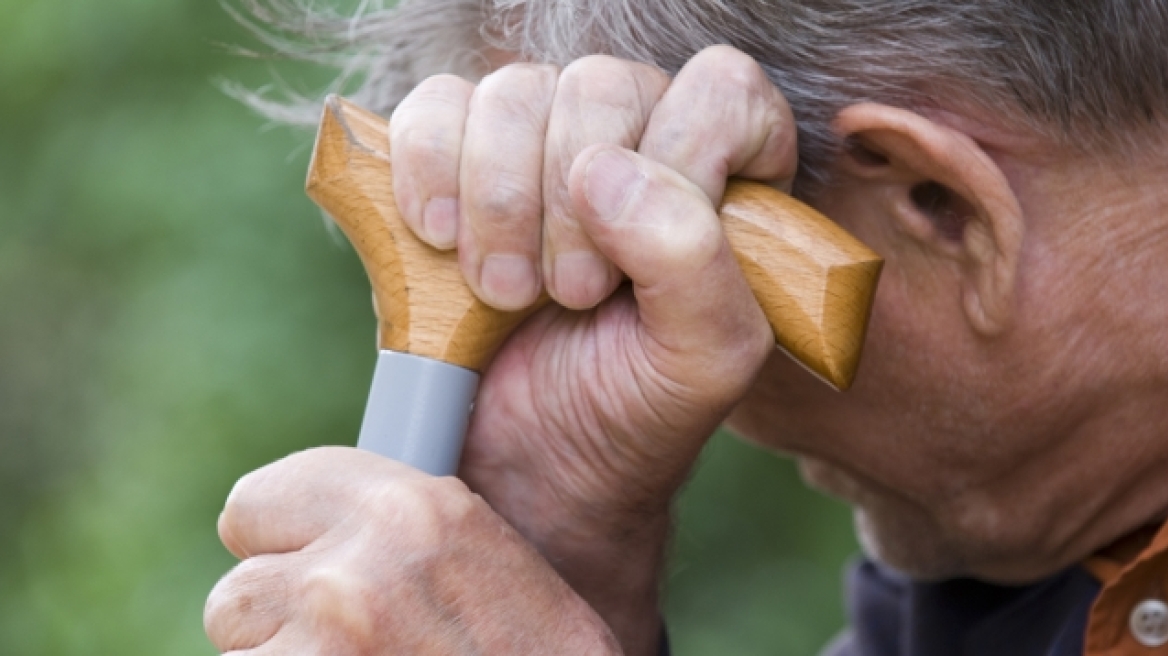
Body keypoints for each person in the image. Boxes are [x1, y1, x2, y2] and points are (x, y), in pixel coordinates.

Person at [206, 1, 1168, 654]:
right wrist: (554, 524)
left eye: (622, 274)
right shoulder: (1019, 563)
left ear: (940, 206)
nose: (719, 388)